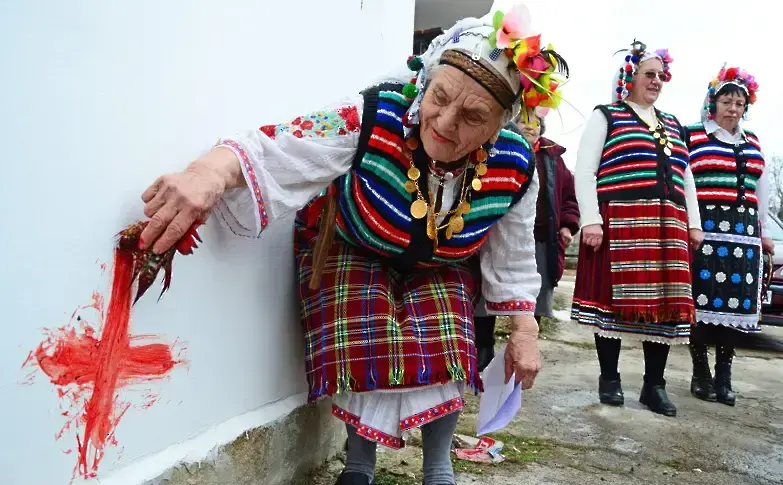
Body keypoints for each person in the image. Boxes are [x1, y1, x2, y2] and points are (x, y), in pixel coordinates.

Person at [135, 5, 569, 484]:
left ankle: (439, 469)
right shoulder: (373, 114)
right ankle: (359, 467)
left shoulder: (516, 164)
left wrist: (523, 332)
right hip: (356, 243)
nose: (445, 122)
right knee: (366, 334)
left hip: (441, 260)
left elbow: (513, 253)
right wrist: (207, 174)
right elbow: (282, 143)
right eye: (439, 97)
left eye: (472, 117)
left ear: (498, 126)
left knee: (448, 340)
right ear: (427, 81)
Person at [571, 40, 703, 417]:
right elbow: (585, 171)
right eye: (650, 74)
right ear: (630, 77)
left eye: (662, 75)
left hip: (667, 225)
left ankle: (654, 385)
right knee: (611, 302)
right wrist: (591, 219)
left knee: (665, 305)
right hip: (620, 222)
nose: (657, 81)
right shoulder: (607, 116)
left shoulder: (674, 124)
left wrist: (693, 222)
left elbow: (686, 175)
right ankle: (610, 379)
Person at [685, 65, 771, 406]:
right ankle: (700, 372)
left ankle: (724, 375)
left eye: (739, 103)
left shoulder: (753, 141)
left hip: (744, 234)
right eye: (727, 101)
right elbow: (684, 179)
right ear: (713, 103)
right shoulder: (693, 135)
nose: (733, 108)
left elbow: (762, 185)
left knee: (735, 305)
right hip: (705, 230)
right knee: (701, 300)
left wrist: (763, 230)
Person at [474, 109, 580, 371]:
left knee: (537, 296)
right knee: (482, 292)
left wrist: (567, 225)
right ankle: (482, 348)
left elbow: (569, 197)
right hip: (496, 234)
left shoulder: (553, 158)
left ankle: (525, 347)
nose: (530, 127)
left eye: (535, 123)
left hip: (542, 238)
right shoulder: (499, 150)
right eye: (524, 121)